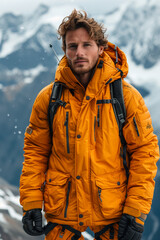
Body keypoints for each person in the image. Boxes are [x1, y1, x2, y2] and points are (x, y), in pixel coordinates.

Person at [19, 9, 159, 240]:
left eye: (87, 45)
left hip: (113, 219)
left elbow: (144, 153)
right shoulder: (48, 99)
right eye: (72, 46)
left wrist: (136, 211)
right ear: (64, 50)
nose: (79, 52)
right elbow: (35, 153)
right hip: (62, 221)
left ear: (101, 48)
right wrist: (31, 202)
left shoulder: (126, 98)